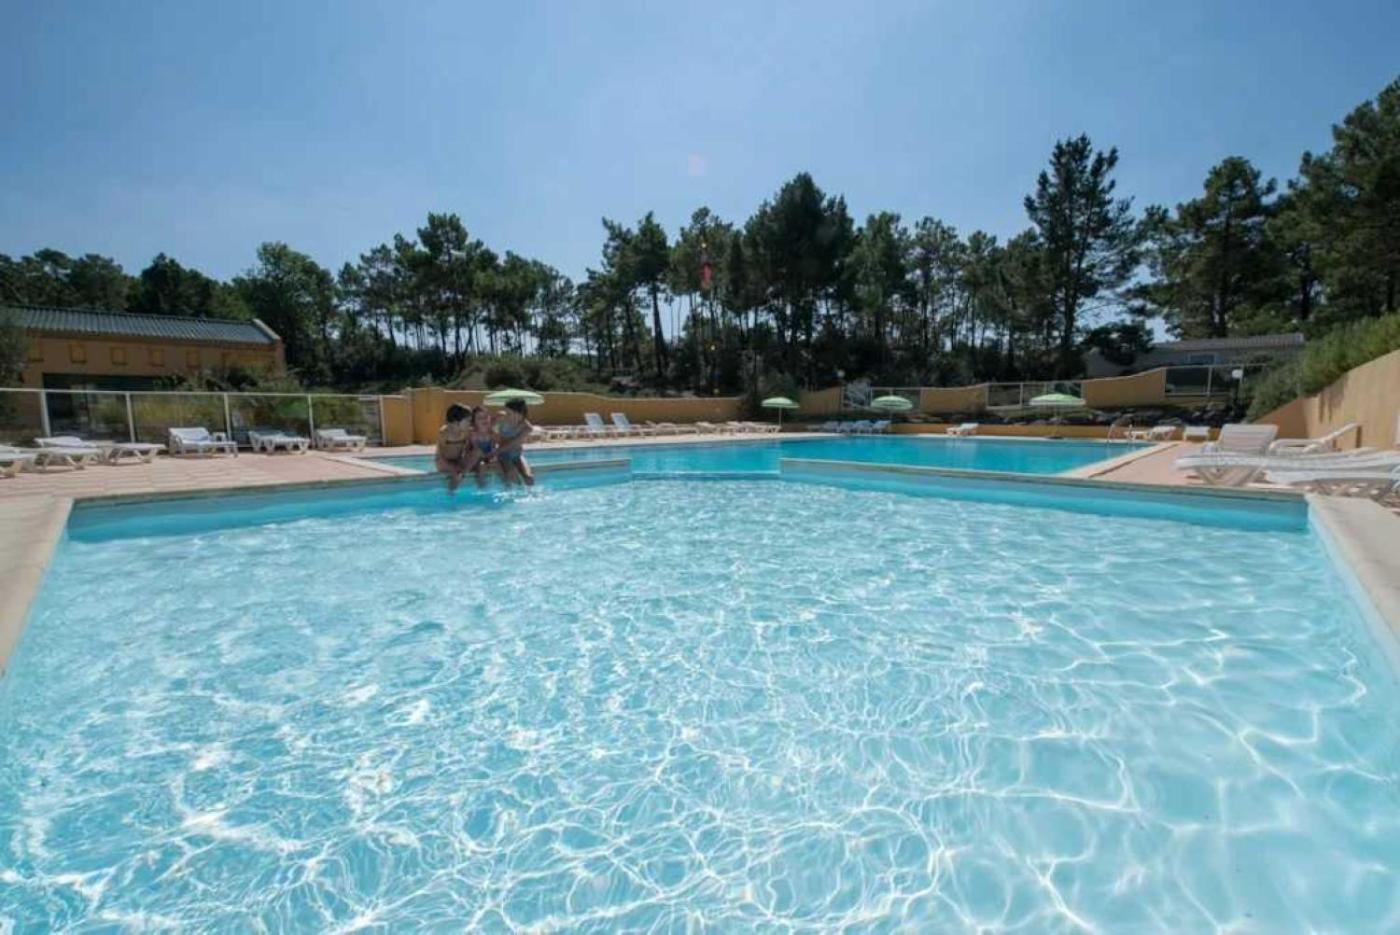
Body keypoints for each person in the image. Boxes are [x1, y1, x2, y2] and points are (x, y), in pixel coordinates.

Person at [493, 398, 535, 486]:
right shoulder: (501, 418)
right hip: (503, 455)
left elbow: (512, 443)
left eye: (509, 413)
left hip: (516, 454)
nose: (506, 415)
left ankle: (529, 493)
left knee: (529, 478)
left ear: (519, 414)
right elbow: (489, 431)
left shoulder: (527, 428)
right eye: (506, 412)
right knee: (513, 476)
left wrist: (494, 452)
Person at [434, 403, 472, 491]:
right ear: (456, 422)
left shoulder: (466, 432)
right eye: (467, 421)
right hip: (443, 461)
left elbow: (466, 450)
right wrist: (452, 469)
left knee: (466, 468)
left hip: (457, 460)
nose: (470, 424)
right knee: (456, 473)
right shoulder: (445, 433)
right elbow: (439, 456)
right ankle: (450, 493)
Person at [466, 405, 499, 488]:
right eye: (480, 418)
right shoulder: (473, 434)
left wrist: (493, 455)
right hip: (476, 460)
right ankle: (482, 488)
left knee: (499, 464)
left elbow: (493, 448)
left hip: (488, 457)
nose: (484, 420)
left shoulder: (492, 434)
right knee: (482, 465)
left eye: (486, 417)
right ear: (474, 422)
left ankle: (506, 486)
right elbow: (476, 451)